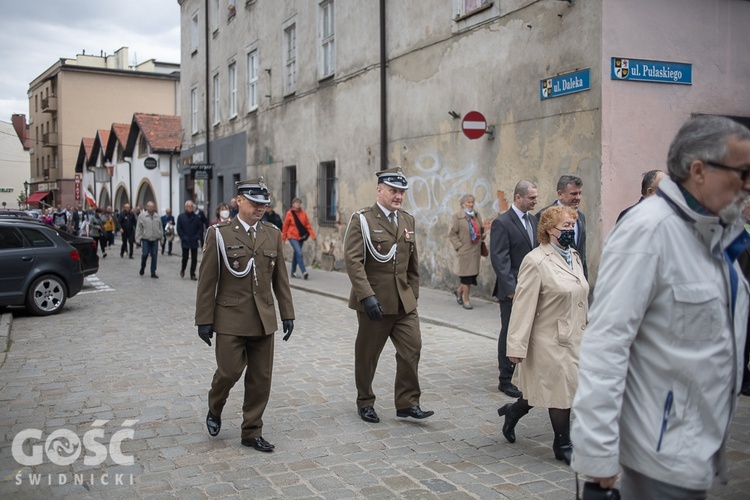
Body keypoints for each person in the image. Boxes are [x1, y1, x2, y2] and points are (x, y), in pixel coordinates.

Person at [571, 115, 750, 498]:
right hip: (660, 452)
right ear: (699, 171)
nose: (748, 185)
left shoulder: (716, 234)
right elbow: (605, 347)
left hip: (696, 447)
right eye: (742, 172)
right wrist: (598, 461)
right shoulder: (648, 231)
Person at [195, 178, 295, 453]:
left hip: (263, 318)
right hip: (230, 317)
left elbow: (280, 280)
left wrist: (287, 313)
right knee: (228, 372)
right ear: (239, 201)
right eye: (254, 203)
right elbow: (207, 281)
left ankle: (251, 430)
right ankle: (215, 407)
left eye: (263, 203)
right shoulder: (219, 233)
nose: (260, 208)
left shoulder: (272, 234)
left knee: (261, 378)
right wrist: (204, 320)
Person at [496, 205, 588, 465]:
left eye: (573, 225)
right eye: (566, 226)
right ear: (549, 229)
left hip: (575, 336)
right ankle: (563, 443)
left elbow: (580, 297)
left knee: (545, 388)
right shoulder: (536, 260)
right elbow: (523, 306)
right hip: (549, 338)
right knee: (560, 392)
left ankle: (512, 412)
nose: (571, 230)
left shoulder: (574, 255)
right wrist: (515, 346)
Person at [344, 166, 434, 424]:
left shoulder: (407, 220)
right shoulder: (362, 219)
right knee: (367, 355)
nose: (398, 196)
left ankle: (407, 403)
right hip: (375, 302)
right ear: (380, 190)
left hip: (404, 302)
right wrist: (366, 296)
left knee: (412, 349)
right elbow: (353, 261)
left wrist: (413, 294)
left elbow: (413, 263)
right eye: (394, 191)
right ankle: (365, 401)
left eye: (402, 192)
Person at [490, 180, 539, 398]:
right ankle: (505, 379)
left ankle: (525, 375)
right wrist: (511, 288)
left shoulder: (534, 220)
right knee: (510, 332)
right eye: (531, 198)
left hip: (532, 287)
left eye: (535, 197)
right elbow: (500, 258)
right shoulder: (503, 222)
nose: (535, 201)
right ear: (518, 198)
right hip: (512, 290)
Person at [536, 174, 587, 278]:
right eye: (573, 194)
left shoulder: (581, 217)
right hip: (554, 279)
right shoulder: (544, 215)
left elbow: (582, 253)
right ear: (560, 194)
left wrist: (584, 279)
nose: (578, 198)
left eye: (580, 193)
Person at [447, 194, 485, 310]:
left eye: (472, 202)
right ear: (463, 204)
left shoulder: (476, 215)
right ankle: (466, 300)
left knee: (472, 276)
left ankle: (458, 292)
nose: (471, 204)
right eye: (468, 202)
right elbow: (452, 234)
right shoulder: (457, 217)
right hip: (464, 252)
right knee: (466, 278)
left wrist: (482, 235)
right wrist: (459, 246)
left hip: (475, 251)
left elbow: (481, 229)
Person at [282, 197, 316, 279]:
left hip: (301, 237)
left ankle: (293, 272)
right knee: (299, 252)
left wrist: (312, 235)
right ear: (293, 204)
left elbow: (307, 225)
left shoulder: (303, 214)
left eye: (299, 203)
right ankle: (304, 271)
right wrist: (283, 237)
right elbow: (285, 226)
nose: (297, 204)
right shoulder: (289, 213)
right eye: (296, 203)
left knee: (296, 254)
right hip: (292, 236)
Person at [135, 201, 163, 279]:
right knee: (145, 254)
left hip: (155, 239)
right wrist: (138, 239)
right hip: (145, 238)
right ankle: (143, 266)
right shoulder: (142, 216)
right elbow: (138, 228)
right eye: (150, 207)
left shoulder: (157, 216)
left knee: (154, 256)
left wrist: (162, 239)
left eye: (152, 207)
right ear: (146, 207)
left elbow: (160, 228)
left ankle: (153, 272)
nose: (151, 208)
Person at [177, 201, 203, 280]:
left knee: (194, 258)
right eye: (188, 206)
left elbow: (200, 228)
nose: (190, 208)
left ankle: (192, 274)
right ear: (185, 207)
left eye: (191, 206)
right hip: (185, 240)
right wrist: (182, 236)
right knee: (185, 257)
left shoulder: (196, 217)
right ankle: (183, 269)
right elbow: (179, 228)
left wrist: (197, 236)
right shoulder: (181, 217)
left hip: (194, 240)